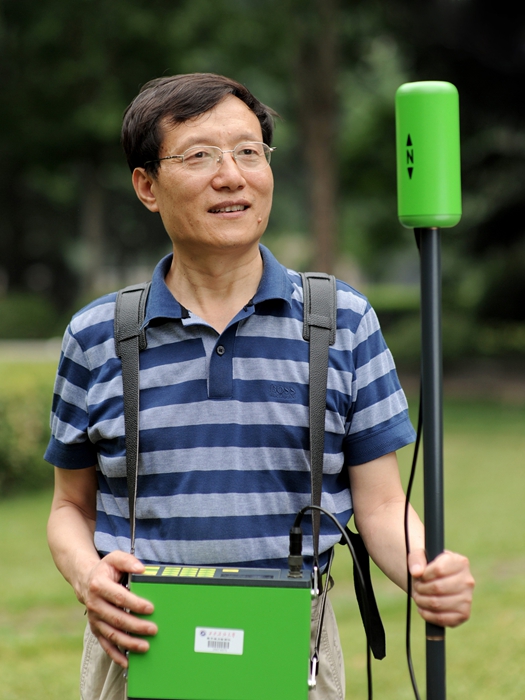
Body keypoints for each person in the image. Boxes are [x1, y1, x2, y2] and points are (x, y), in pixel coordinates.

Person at [45, 73, 474, 700]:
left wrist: (424, 569)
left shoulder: (341, 321)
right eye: (200, 155)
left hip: (293, 644)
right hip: (139, 642)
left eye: (249, 151)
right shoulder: (97, 335)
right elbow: (71, 508)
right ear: (146, 186)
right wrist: (89, 578)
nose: (232, 176)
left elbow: (381, 505)